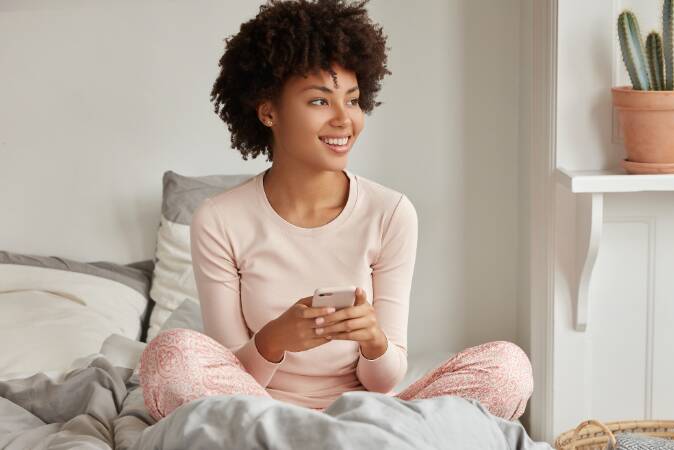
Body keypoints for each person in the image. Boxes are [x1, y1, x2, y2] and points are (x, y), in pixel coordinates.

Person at [138, 0, 533, 423]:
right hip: (260, 416)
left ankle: (337, 439)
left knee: (507, 367)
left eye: (354, 100)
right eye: (320, 102)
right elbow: (231, 375)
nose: (345, 120)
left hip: (370, 416)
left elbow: (384, 381)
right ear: (268, 111)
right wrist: (274, 340)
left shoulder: (390, 212)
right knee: (170, 354)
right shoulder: (219, 220)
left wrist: (374, 342)